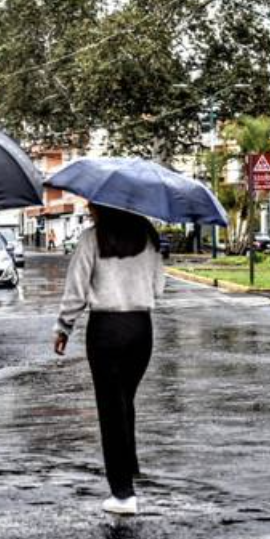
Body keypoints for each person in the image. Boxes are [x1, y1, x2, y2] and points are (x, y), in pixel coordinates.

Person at [52, 203, 164, 516]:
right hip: (142, 327)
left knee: (110, 407)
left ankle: (122, 493)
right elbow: (159, 287)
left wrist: (63, 327)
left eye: (91, 203)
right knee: (125, 399)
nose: (88, 207)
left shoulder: (92, 238)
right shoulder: (148, 237)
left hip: (106, 328)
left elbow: (76, 289)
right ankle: (129, 466)